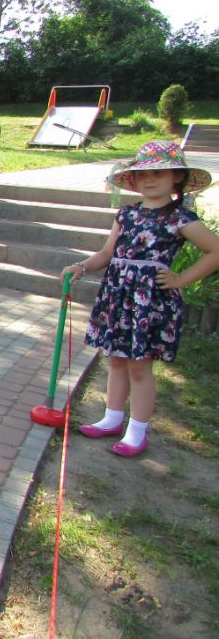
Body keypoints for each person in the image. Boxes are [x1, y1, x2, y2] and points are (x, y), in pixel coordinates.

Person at [63, 141, 219, 457]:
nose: (149, 179)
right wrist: (82, 266)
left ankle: (137, 432)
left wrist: (180, 279)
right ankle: (111, 418)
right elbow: (107, 253)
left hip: (149, 303)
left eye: (159, 173)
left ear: (177, 177)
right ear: (133, 179)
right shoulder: (126, 214)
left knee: (139, 366)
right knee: (116, 359)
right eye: (143, 174)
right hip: (118, 298)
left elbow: (215, 250)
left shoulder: (180, 218)